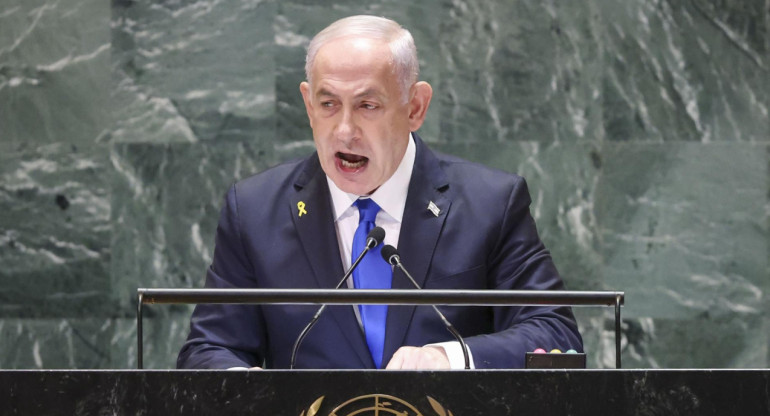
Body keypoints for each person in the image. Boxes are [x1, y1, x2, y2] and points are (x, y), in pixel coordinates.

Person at [177, 15, 582, 370]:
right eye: (329, 103)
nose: (345, 130)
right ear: (307, 104)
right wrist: (247, 390)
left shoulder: (490, 204)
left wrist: (447, 357)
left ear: (415, 107)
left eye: (368, 105)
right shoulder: (254, 211)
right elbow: (209, 349)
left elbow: (554, 334)